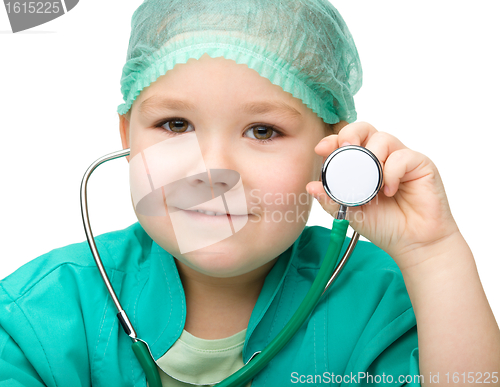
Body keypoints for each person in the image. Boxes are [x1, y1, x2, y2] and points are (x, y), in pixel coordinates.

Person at [1, 0, 499, 386]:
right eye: (176, 124)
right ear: (128, 136)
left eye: (263, 131)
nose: (215, 171)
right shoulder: (36, 314)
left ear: (332, 149)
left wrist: (433, 255)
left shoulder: (388, 303)